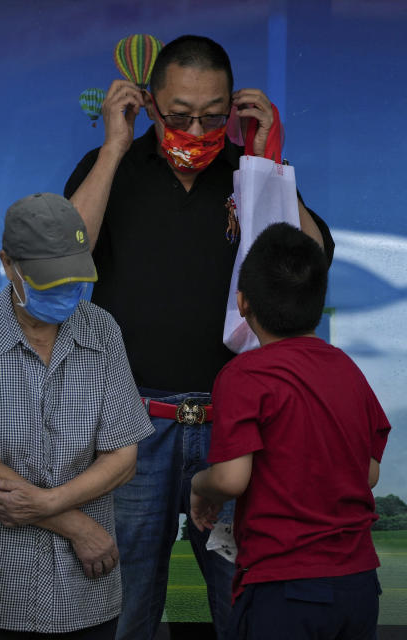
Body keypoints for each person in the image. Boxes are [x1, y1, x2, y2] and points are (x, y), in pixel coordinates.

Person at [62, 35, 335, 639]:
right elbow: (61, 256)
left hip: (234, 427)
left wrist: (271, 163)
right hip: (134, 427)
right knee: (124, 606)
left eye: (213, 116)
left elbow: (313, 262)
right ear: (149, 103)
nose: (197, 128)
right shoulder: (113, 165)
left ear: (233, 108)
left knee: (241, 603)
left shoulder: (253, 174)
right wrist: (113, 147)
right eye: (180, 114)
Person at [0, 192, 155, 639]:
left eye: (73, 278)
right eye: (48, 280)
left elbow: (122, 458)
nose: (64, 292)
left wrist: (49, 503)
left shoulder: (102, 330)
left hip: (86, 592)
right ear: (7, 263)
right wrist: (76, 526)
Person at [189, 222, 389, 640]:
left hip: (283, 587)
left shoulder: (243, 374)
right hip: (358, 584)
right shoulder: (348, 370)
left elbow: (230, 478)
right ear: (319, 303)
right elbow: (369, 474)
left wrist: (199, 485)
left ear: (242, 303)